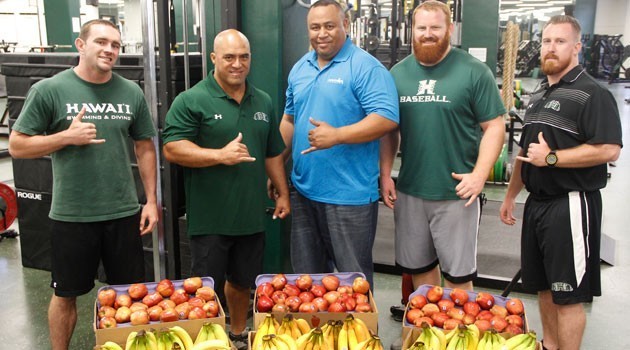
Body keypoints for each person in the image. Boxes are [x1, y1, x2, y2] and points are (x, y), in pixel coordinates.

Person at [8, 20, 158, 350]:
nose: (109, 50)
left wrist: (150, 200)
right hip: (72, 214)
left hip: (122, 212)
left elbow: (145, 145)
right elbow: (18, 145)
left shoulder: (130, 91)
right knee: (65, 295)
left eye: (116, 45)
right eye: (101, 42)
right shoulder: (50, 90)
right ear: (80, 45)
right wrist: (65, 137)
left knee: (128, 296)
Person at [162, 29, 290, 350]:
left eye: (243, 57)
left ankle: (236, 334)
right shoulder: (192, 100)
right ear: (214, 58)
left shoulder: (262, 100)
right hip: (210, 218)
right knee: (206, 287)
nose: (237, 64)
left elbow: (272, 151)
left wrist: (282, 190)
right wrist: (220, 155)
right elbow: (173, 149)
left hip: (249, 214)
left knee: (242, 282)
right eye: (229, 57)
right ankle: (207, 339)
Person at [500, 15, 622, 350]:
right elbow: (526, 151)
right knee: (543, 287)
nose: (550, 48)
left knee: (568, 295)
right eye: (546, 41)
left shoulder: (592, 94)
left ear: (577, 47)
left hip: (570, 202)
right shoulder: (540, 91)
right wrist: (512, 195)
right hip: (537, 205)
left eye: (560, 41)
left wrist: (553, 158)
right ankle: (549, 345)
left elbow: (610, 149)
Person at [380, 0, 506, 293]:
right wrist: (386, 173)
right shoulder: (397, 74)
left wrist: (479, 175)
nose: (428, 33)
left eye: (435, 27)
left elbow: (495, 127)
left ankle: (455, 338)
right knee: (421, 272)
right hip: (411, 189)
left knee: (458, 278)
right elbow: (389, 131)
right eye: (421, 27)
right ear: (412, 30)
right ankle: (428, 336)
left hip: (456, 192)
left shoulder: (475, 72)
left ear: (450, 29)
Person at [279, 0, 399, 286]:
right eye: (315, 27)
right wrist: (276, 164)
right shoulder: (301, 68)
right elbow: (289, 120)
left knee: (352, 284)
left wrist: (337, 135)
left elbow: (386, 118)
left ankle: (360, 333)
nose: (322, 33)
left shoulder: (364, 67)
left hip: (349, 197)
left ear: (345, 25)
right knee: (307, 283)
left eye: (329, 26)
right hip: (305, 190)